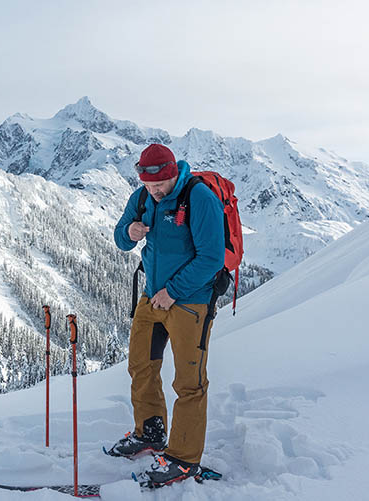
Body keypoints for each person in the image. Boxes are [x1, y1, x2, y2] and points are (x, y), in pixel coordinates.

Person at [110, 143, 225, 485]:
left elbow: (212, 259)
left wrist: (172, 291)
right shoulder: (142, 198)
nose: (155, 191)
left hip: (189, 302)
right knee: (141, 366)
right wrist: (129, 233)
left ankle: (183, 458)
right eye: (149, 184)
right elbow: (121, 238)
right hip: (152, 299)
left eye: (160, 184)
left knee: (189, 383)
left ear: (174, 173)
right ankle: (150, 433)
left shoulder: (199, 198)